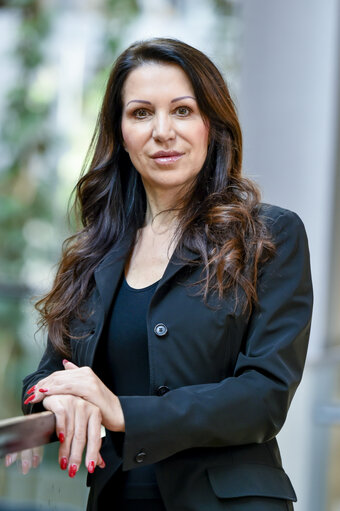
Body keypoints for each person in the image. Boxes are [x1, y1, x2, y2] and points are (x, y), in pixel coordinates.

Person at [21, 37, 313, 511]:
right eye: (140, 113)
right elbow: (49, 373)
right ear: (120, 132)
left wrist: (122, 411)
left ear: (211, 125)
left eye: (182, 110)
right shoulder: (95, 250)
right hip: (117, 499)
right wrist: (53, 400)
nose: (162, 131)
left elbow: (265, 396)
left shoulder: (269, 235)